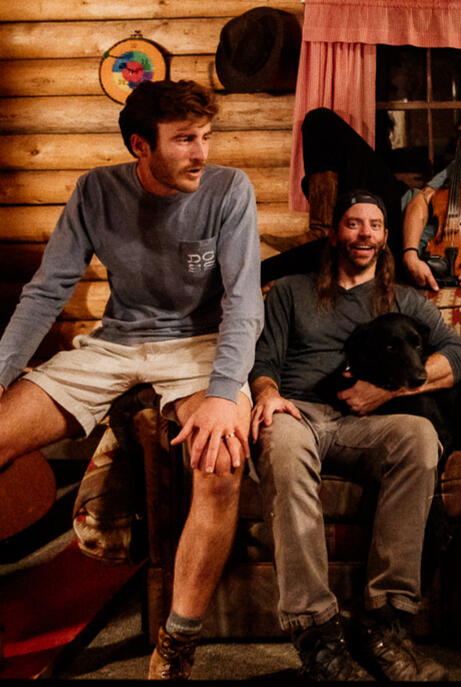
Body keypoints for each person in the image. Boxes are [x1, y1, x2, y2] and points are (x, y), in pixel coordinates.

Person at [0, 79, 263, 679]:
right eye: (185, 140)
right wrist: (0, 373)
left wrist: (224, 394)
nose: (201, 153)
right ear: (141, 146)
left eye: (206, 137)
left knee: (221, 463)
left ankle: (177, 643)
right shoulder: (95, 190)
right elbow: (46, 292)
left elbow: (244, 303)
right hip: (115, 344)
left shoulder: (229, 189)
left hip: (199, 346)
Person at [249, 190, 461, 681]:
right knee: (281, 441)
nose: (364, 234)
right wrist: (267, 394)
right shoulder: (290, 291)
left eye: (374, 225)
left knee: (419, 437)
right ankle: (317, 636)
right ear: (336, 233)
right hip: (299, 412)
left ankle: (384, 624)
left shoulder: (404, 300)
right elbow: (263, 361)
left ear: (386, 237)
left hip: (366, 424)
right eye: (353, 223)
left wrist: (388, 391)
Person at [271, 96, 461, 290]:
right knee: (321, 122)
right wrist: (410, 254)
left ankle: (315, 244)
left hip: (422, 251)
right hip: (399, 210)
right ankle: (323, 227)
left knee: (305, 260)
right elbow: (421, 199)